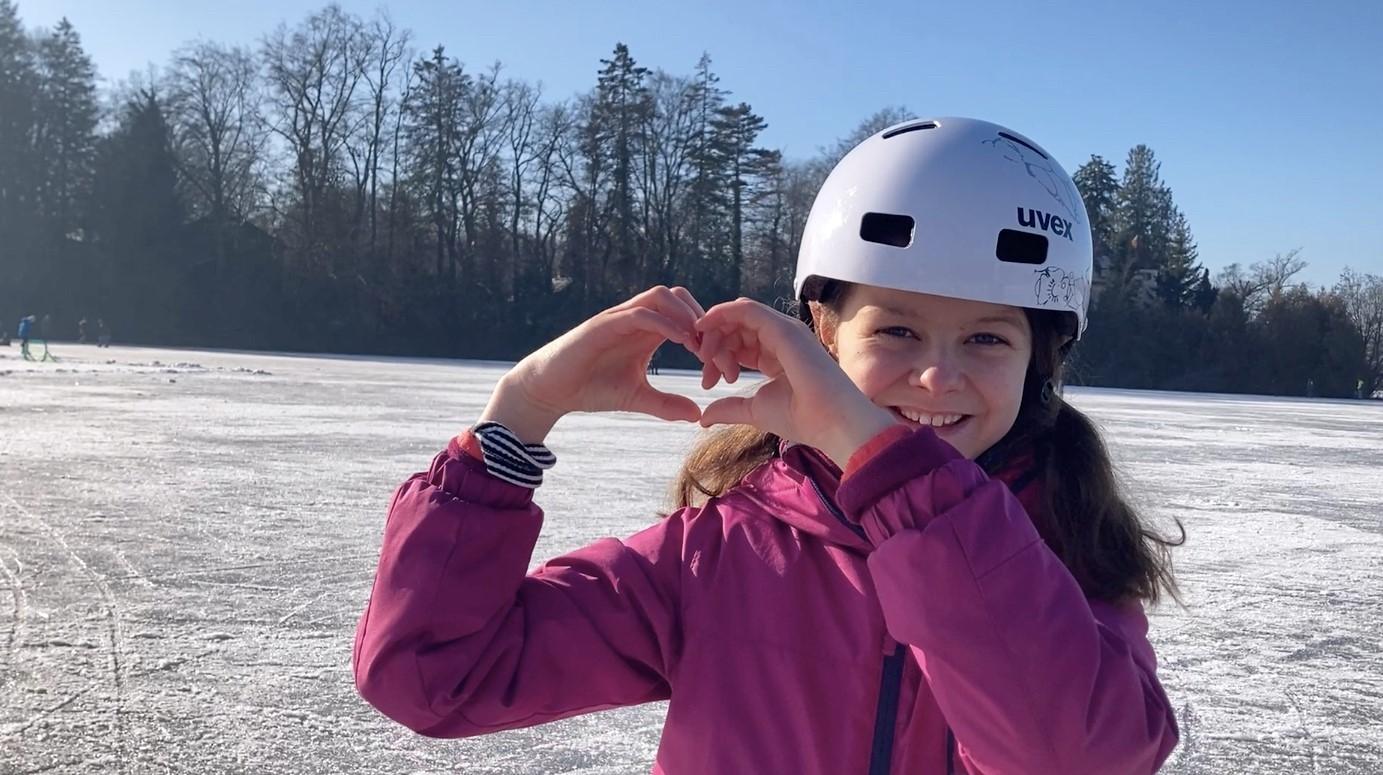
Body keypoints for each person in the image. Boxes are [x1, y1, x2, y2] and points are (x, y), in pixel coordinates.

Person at [354, 117, 1182, 773]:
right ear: (820, 329)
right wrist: (517, 419)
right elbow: (432, 674)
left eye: (986, 340)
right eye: (895, 329)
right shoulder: (714, 554)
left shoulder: (1065, 559)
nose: (936, 377)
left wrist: (895, 474)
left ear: (1041, 358)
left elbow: (1072, 757)